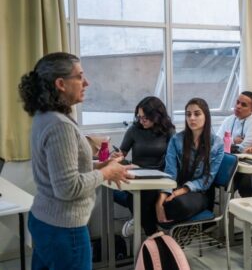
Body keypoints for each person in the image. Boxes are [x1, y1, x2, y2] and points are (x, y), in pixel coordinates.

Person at [18, 52, 131, 270]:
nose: (86, 82)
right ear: (60, 83)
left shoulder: (45, 116)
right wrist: (106, 174)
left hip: (44, 221)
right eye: (79, 77)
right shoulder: (60, 125)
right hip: (64, 231)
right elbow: (68, 188)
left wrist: (101, 166)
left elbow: (63, 170)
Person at [112, 96, 176, 237]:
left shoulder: (169, 131)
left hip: (159, 178)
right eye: (139, 117)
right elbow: (121, 154)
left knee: (143, 195)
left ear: (157, 116)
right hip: (136, 175)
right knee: (136, 194)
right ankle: (153, 235)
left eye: (145, 117)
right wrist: (117, 157)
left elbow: (173, 161)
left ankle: (142, 224)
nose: (141, 121)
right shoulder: (134, 130)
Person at [155, 98, 224, 225]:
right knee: (149, 199)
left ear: (206, 116)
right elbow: (170, 172)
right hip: (174, 187)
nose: (192, 118)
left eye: (197, 114)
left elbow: (207, 179)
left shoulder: (217, 144)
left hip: (199, 192)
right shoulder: (176, 140)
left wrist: (180, 191)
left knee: (177, 204)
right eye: (188, 114)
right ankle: (158, 236)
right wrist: (162, 196)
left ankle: (170, 236)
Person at [216, 91, 252, 197]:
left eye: (243, 105)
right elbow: (216, 142)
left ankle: (229, 207)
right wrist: (234, 141)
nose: (238, 106)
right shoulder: (230, 119)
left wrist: (228, 143)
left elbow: (243, 149)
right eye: (237, 102)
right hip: (235, 161)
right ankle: (222, 207)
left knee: (236, 180)